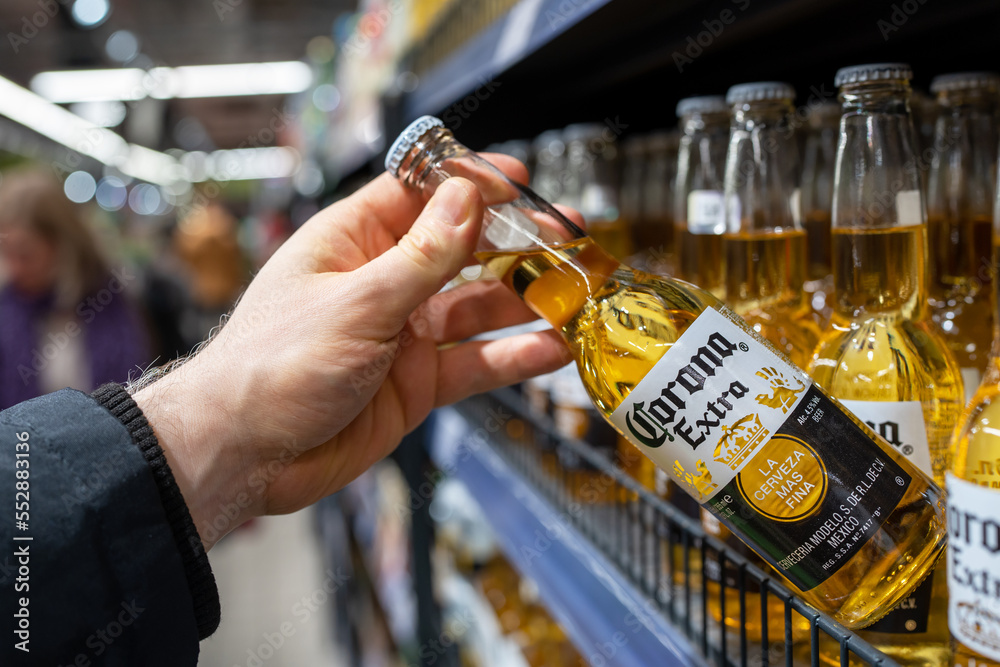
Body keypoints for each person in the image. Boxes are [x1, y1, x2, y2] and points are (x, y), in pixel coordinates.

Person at [0, 156, 571, 665]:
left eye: (21, 250)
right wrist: (218, 430)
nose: (8, 266)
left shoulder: (116, 298)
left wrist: (212, 435)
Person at [0, 169, 150, 409]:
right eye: (6, 252)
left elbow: (133, 393)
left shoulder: (107, 301)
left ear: (63, 245)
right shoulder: (8, 307)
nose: (14, 267)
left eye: (25, 254)